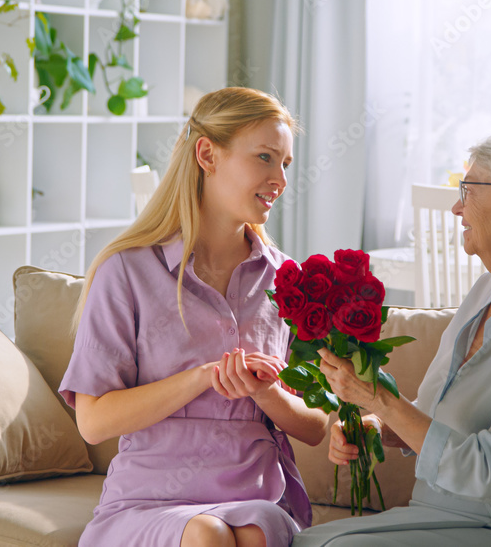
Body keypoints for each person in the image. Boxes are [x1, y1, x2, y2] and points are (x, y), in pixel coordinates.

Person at [293, 132, 491, 546]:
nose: (457, 206)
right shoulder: (485, 291)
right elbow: (438, 420)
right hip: (446, 516)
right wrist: (377, 426)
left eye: (470, 189)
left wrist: (379, 398)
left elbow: (490, 473)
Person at [59, 87, 330, 547]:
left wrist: (265, 394)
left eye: (284, 163)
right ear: (207, 154)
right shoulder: (126, 271)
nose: (280, 179)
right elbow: (94, 421)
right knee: (206, 533)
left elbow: (315, 426)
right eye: (265, 157)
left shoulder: (287, 279)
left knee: (251, 530)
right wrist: (203, 377)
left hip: (256, 497)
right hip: (146, 501)